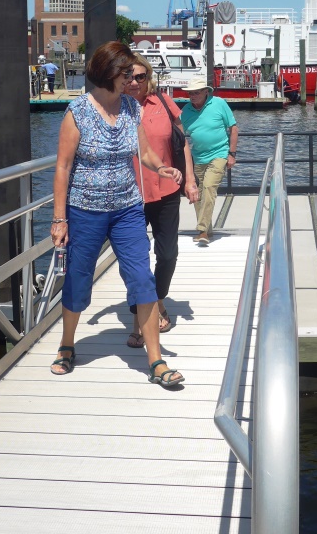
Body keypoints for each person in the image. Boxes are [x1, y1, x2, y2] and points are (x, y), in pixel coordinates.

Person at [49, 41, 185, 388]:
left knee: (142, 278)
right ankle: (67, 345)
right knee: (79, 281)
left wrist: (162, 168)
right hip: (85, 211)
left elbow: (142, 150)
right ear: (109, 73)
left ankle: (155, 360)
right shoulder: (77, 113)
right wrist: (59, 219)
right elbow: (63, 168)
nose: (131, 79)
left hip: (126, 209)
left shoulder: (129, 108)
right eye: (126, 72)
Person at [124, 54, 199, 348]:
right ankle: (138, 320)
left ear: (149, 77)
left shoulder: (164, 103)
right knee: (135, 260)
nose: (134, 82)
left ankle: (157, 300)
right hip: (129, 195)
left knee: (167, 254)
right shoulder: (116, 106)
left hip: (166, 190)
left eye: (140, 76)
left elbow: (183, 144)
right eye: (128, 76)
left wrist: (190, 180)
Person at [180, 75, 237, 245]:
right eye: (190, 93)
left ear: (206, 92)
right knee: (197, 193)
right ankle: (207, 229)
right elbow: (177, 135)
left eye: (197, 92)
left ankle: (202, 230)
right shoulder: (186, 111)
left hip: (219, 153)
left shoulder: (219, 103)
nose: (193, 95)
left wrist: (232, 154)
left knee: (209, 187)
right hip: (197, 157)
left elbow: (233, 128)